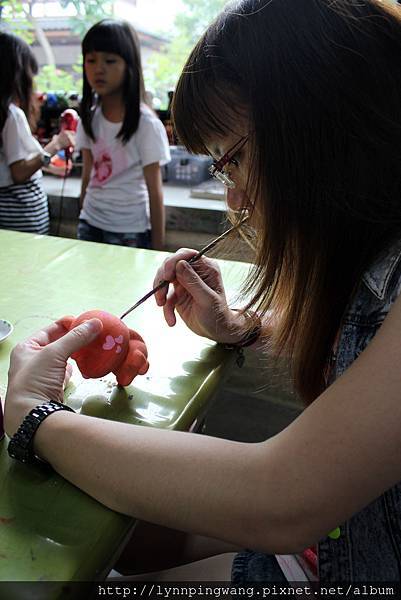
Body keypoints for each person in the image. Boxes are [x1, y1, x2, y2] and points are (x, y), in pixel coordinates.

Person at [4, 0, 401, 583]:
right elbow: (366, 367)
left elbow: (282, 498)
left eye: (234, 161)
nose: (235, 203)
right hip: (338, 541)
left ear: (324, 125)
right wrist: (239, 326)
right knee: (136, 540)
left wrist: (33, 419)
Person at [76, 19, 170, 250]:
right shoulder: (88, 118)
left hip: (130, 231)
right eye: (91, 60)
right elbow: (87, 177)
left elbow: (155, 194)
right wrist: (82, 211)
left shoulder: (146, 124)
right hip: (89, 223)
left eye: (110, 60)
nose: (99, 68)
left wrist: (157, 251)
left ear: (129, 66)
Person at [0, 31, 75, 235]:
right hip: (20, 215)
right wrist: (55, 145)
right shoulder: (12, 114)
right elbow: (17, 173)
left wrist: (50, 167)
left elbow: (6, 167)